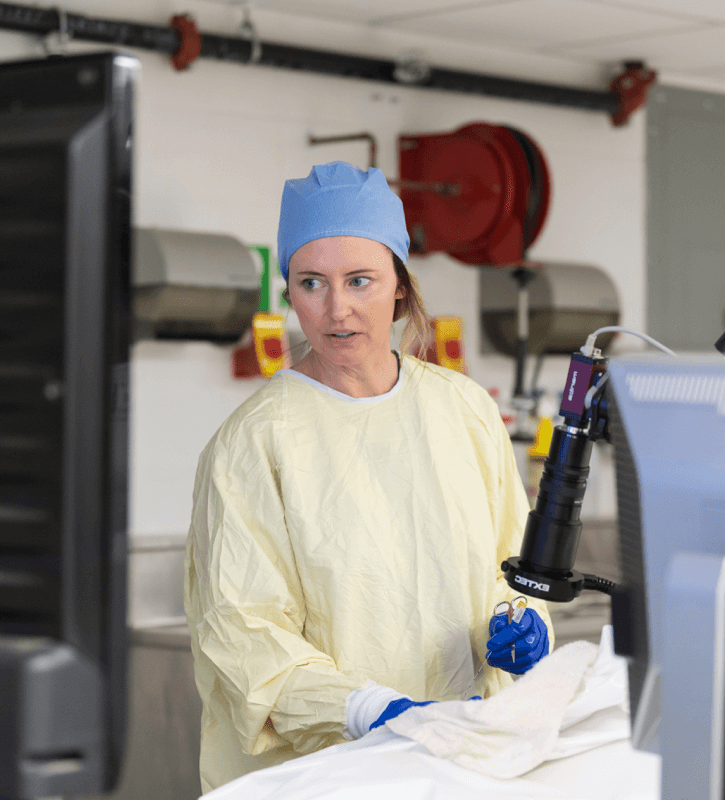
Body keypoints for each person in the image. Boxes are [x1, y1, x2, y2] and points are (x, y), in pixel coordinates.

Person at [184, 161, 553, 792]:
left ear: (401, 287)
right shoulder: (254, 443)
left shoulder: (462, 409)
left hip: (460, 756)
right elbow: (242, 631)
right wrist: (361, 708)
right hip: (324, 773)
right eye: (311, 283)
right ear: (290, 292)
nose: (338, 309)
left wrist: (522, 620)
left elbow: (511, 561)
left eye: (361, 280)